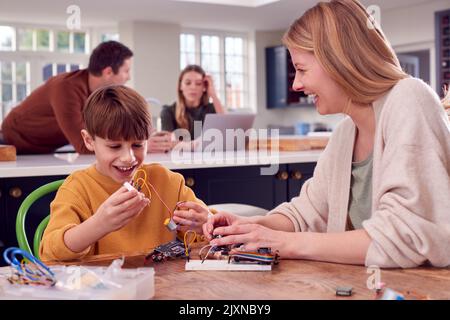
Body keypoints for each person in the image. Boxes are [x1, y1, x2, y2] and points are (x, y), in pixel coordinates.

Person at [197, 0, 449, 269]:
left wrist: (284, 242)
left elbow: (405, 235)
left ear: (340, 60)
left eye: (302, 69)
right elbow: (307, 213)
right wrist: (250, 226)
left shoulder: (409, 97)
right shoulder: (344, 135)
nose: (296, 83)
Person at [39, 86, 209, 262]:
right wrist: (99, 225)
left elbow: (209, 235)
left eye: (137, 145)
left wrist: (206, 224)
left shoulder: (167, 181)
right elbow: (50, 253)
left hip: (160, 285)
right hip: (103, 287)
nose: (128, 158)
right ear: (89, 140)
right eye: (114, 146)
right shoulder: (77, 188)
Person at [0, 41, 172, 154]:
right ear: (108, 72)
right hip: (11, 146)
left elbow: (110, 131)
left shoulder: (100, 95)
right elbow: (84, 145)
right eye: (126, 71)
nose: (128, 77)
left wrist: (146, 136)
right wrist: (138, 147)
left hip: (39, 151)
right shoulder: (65, 88)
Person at [160, 64, 225, 140]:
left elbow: (228, 128)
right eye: (188, 83)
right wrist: (194, 145)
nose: (193, 87)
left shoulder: (212, 109)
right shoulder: (168, 112)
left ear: (204, 87)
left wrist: (213, 94)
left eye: (198, 83)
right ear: (180, 86)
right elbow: (168, 143)